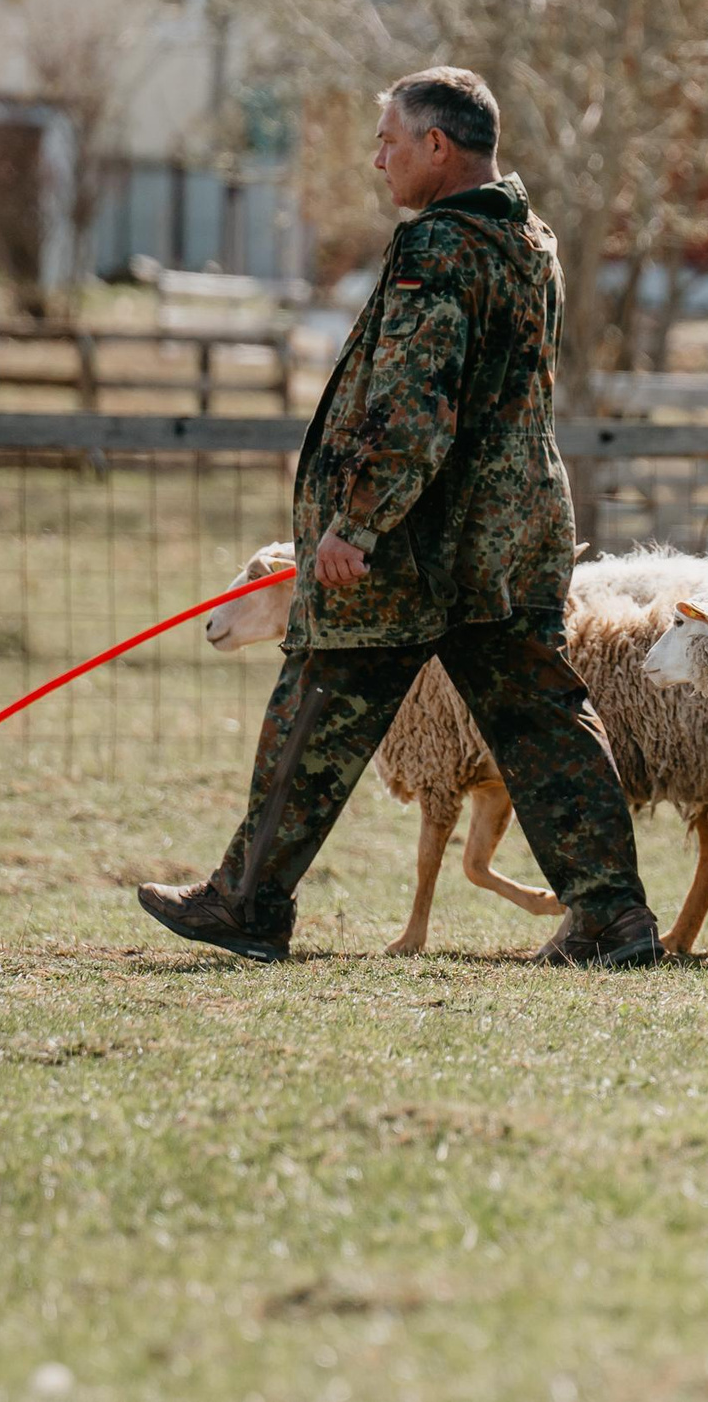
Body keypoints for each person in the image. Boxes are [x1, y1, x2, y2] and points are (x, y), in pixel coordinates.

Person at [138, 67, 662, 967]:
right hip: (515, 528)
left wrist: (357, 523)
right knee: (543, 717)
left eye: (389, 140)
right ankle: (614, 920)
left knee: (320, 694)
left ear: (438, 146)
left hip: (421, 543)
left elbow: (419, 404)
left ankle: (248, 905)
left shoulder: (438, 248)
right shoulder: (531, 240)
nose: (377, 158)